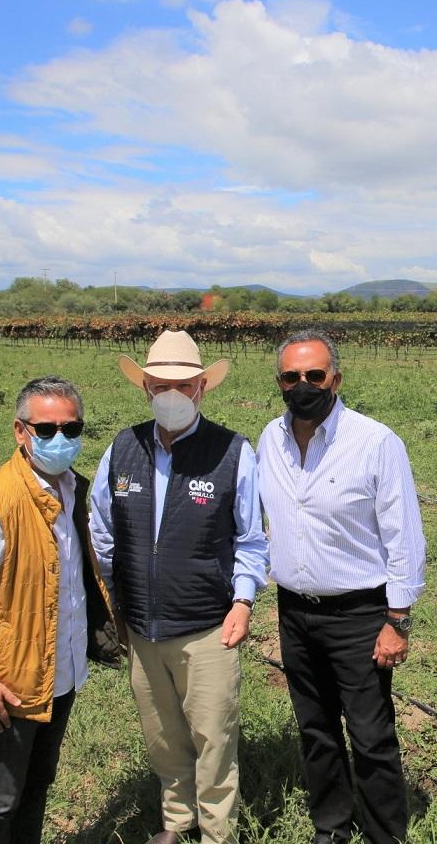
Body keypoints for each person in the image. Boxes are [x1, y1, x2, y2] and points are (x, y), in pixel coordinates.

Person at [89, 330, 269, 844]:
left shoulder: (232, 452)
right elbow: (101, 530)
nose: (171, 393)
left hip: (208, 625)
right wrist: (110, 603)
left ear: (201, 389)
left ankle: (216, 833)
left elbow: (251, 539)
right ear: (144, 386)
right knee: (163, 735)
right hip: (141, 627)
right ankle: (176, 822)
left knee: (213, 737)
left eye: (183, 385)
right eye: (159, 384)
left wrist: (243, 601)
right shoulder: (123, 448)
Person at [255, 330, 427, 844]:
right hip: (293, 612)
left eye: (315, 375)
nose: (303, 384)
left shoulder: (375, 442)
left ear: (336, 378)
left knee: (371, 734)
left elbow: (404, 536)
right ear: (279, 382)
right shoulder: (270, 440)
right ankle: (330, 826)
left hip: (359, 615)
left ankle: (384, 834)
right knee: (316, 728)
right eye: (292, 376)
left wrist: (396, 621)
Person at [0, 376, 119, 844]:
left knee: (37, 784)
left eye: (72, 429)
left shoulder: (73, 490)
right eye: (46, 430)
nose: (60, 440)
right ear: (21, 431)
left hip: (60, 671)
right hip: (13, 682)